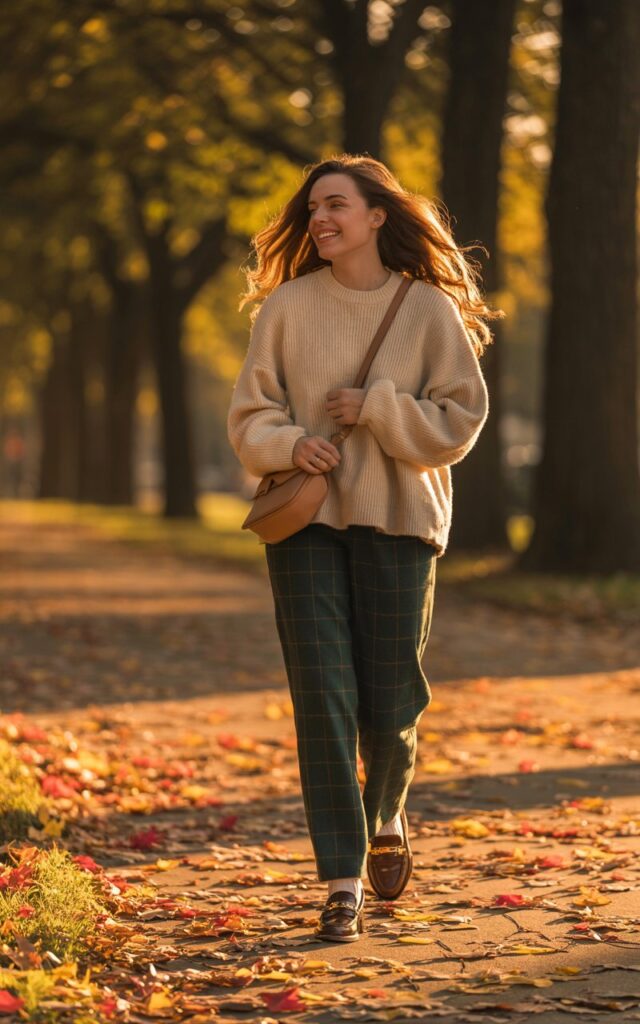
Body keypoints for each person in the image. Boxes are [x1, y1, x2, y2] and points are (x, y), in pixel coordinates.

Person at [227, 154, 502, 943]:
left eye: (336, 205)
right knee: (323, 695)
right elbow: (250, 413)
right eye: (313, 208)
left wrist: (378, 407)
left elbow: (460, 421)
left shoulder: (427, 310)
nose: (319, 219)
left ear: (378, 215)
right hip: (305, 521)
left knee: (390, 701)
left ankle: (386, 814)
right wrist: (290, 444)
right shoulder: (287, 306)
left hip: (401, 520)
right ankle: (341, 880)